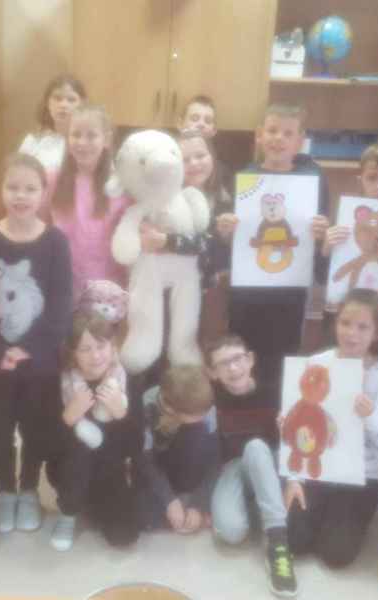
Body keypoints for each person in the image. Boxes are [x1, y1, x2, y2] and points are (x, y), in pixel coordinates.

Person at [0, 153, 73, 534]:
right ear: (1, 190)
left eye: (30, 188)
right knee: (0, 426)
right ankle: (5, 489)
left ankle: (29, 488)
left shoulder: (55, 242)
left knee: (36, 425)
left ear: (43, 193)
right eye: (13, 187)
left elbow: (61, 304)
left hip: (41, 358)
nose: (20, 195)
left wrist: (28, 347)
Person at [285, 289, 378, 569]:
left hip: (362, 474)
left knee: (336, 554)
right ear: (335, 323)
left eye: (363, 327)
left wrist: (373, 415)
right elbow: (296, 428)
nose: (352, 334)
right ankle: (324, 511)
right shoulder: (315, 365)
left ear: (376, 333)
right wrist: (294, 477)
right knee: (295, 541)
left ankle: (363, 504)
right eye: (345, 323)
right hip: (319, 467)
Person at [225, 104, 331, 387]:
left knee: (283, 355)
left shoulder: (313, 181)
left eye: (288, 133)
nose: (278, 139)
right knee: (242, 352)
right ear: (259, 135)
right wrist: (226, 229)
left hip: (290, 290)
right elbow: (233, 238)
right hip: (247, 290)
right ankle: (240, 404)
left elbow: (321, 233)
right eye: (272, 130)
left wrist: (321, 230)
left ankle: (276, 406)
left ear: (299, 141)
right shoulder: (244, 179)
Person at [206, 335, 298, 598]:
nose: (233, 368)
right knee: (231, 532)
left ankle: (277, 544)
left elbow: (295, 444)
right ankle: (260, 507)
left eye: (237, 359)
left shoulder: (276, 392)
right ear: (213, 372)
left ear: (250, 360)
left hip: (269, 460)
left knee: (255, 447)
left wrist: (285, 429)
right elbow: (208, 452)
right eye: (223, 364)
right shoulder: (212, 398)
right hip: (234, 467)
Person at [52, 311, 140, 551]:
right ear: (73, 354)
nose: (95, 356)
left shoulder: (127, 381)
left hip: (109, 467)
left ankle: (92, 504)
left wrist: (120, 413)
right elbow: (47, 446)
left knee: (125, 535)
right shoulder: (61, 384)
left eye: (101, 346)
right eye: (85, 349)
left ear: (112, 347)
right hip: (70, 468)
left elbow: (136, 446)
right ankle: (68, 512)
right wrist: (68, 418)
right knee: (80, 453)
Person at [320, 143, 378, 344]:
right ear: (360, 179)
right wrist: (326, 249)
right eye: (373, 177)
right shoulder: (345, 219)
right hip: (343, 318)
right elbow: (322, 276)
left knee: (376, 363)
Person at [45, 103, 131, 300]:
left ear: (106, 139)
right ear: (67, 138)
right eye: (76, 135)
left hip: (107, 293)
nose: (82, 142)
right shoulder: (52, 181)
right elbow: (40, 229)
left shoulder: (121, 186)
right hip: (63, 286)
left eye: (91, 136)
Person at [137, 366, 221, 533]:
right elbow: (145, 460)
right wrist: (169, 500)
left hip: (190, 471)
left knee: (198, 431)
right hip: (158, 467)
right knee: (139, 516)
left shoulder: (205, 406)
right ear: (170, 409)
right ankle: (181, 505)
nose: (204, 417)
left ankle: (189, 504)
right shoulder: (147, 404)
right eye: (194, 417)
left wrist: (199, 504)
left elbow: (215, 459)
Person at [178, 130, 234, 342]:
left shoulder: (228, 199)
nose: (194, 164)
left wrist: (228, 236)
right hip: (179, 289)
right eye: (185, 160)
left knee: (212, 342)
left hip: (216, 292)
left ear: (212, 157)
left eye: (200, 156)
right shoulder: (168, 201)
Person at [19, 74, 87, 170]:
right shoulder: (33, 142)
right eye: (57, 98)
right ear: (47, 103)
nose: (63, 105)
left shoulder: (89, 142)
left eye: (71, 100)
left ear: (82, 104)